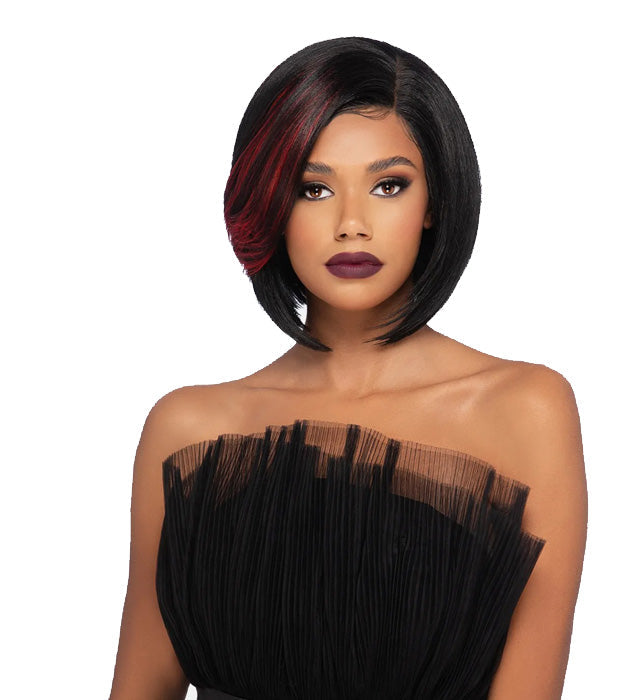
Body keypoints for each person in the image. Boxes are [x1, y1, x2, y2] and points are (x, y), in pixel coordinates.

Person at [109, 37, 587, 700]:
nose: (351, 224)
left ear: (434, 202)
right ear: (273, 205)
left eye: (389, 185)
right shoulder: (188, 430)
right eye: (313, 189)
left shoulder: (525, 410)